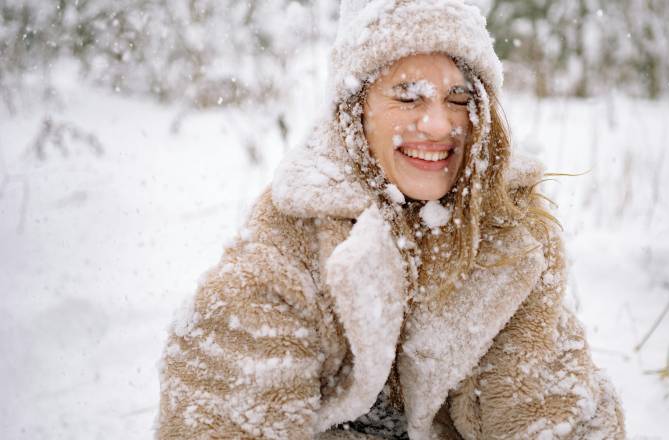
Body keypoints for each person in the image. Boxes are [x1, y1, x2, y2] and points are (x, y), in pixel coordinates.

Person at [155, 1, 626, 439]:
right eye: (408, 97)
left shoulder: (509, 234)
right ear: (355, 110)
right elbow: (220, 411)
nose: (440, 125)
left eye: (459, 99)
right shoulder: (285, 248)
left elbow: (550, 413)